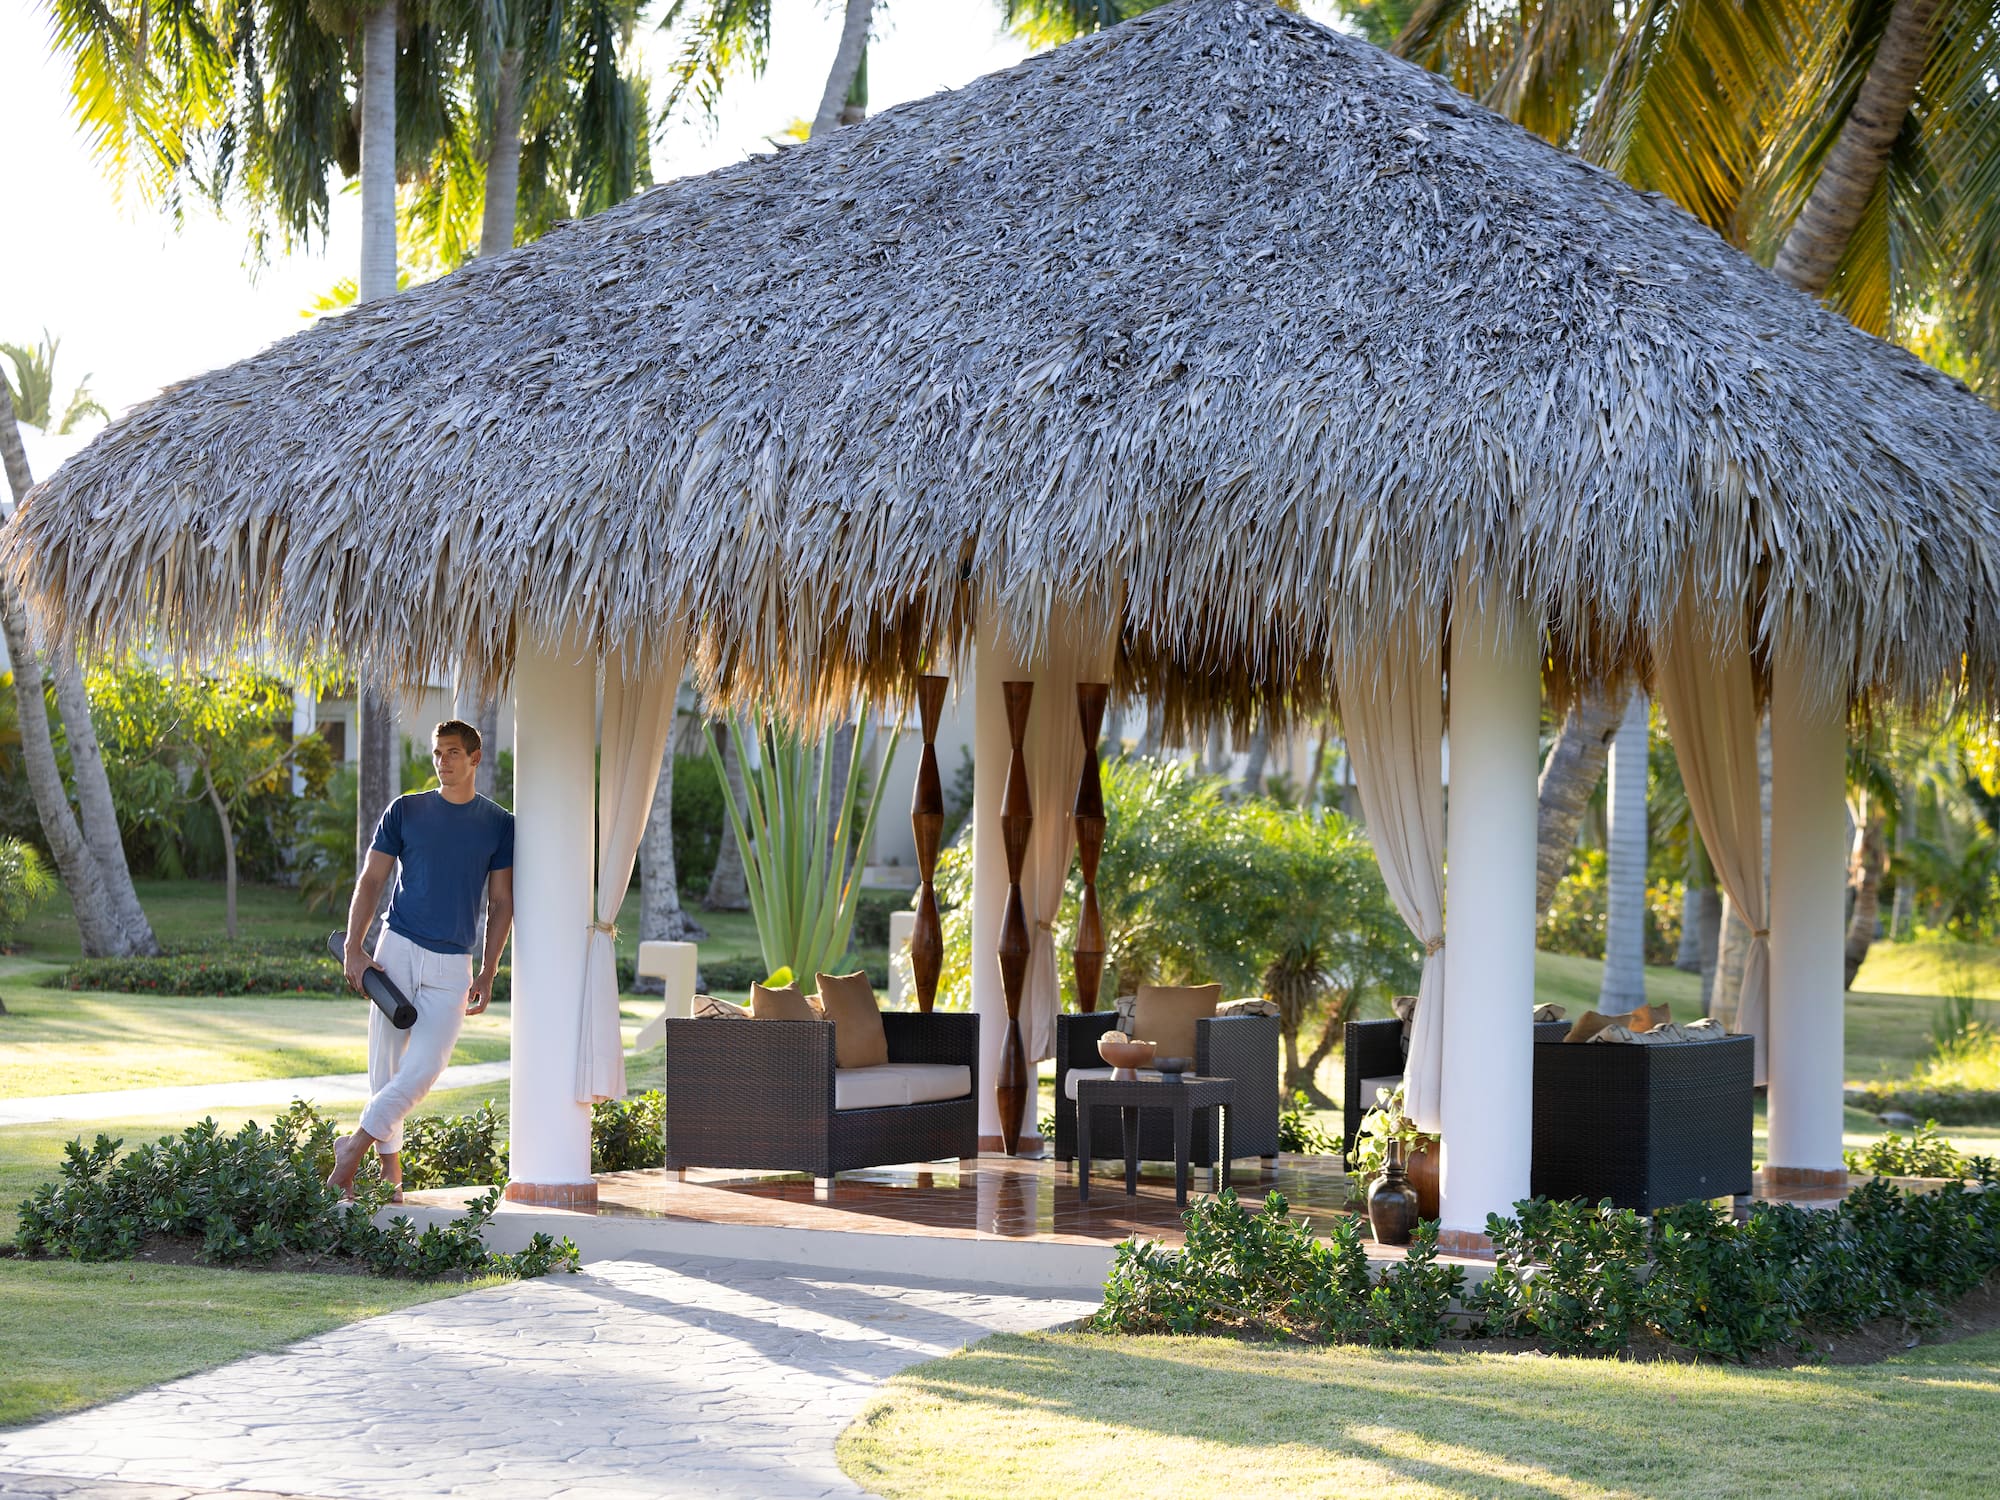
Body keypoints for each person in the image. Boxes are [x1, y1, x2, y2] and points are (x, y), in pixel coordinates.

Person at [328, 719, 515, 1201]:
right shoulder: (405, 810)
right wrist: (354, 946)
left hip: (454, 961)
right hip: (398, 950)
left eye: (453, 753)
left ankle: (351, 1150)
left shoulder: (499, 824)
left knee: (426, 1067)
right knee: (385, 1066)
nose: (443, 761)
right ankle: (390, 1178)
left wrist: (489, 969)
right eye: (437, 753)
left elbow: (502, 902)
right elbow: (371, 881)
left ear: (475, 758)